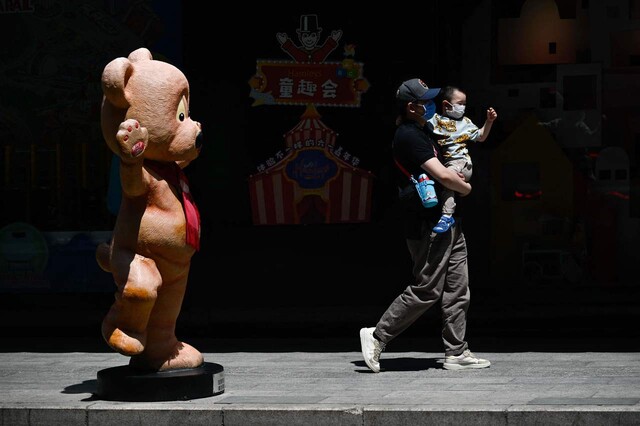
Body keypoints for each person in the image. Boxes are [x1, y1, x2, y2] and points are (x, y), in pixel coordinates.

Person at [359, 78, 490, 372]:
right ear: (412, 107)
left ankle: (456, 352)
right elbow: (443, 176)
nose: (431, 104)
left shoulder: (424, 130)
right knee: (428, 288)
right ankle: (378, 335)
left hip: (449, 222)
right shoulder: (408, 136)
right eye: (425, 101)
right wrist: (466, 189)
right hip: (428, 225)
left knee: (458, 289)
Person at [426, 86, 497, 233]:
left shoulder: (465, 122)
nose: (463, 107)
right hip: (447, 163)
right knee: (445, 179)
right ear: (446, 105)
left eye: (465, 104)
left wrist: (489, 121)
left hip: (462, 163)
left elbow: (481, 136)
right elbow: (421, 118)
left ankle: (447, 215)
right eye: (460, 103)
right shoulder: (436, 120)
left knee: (447, 178)